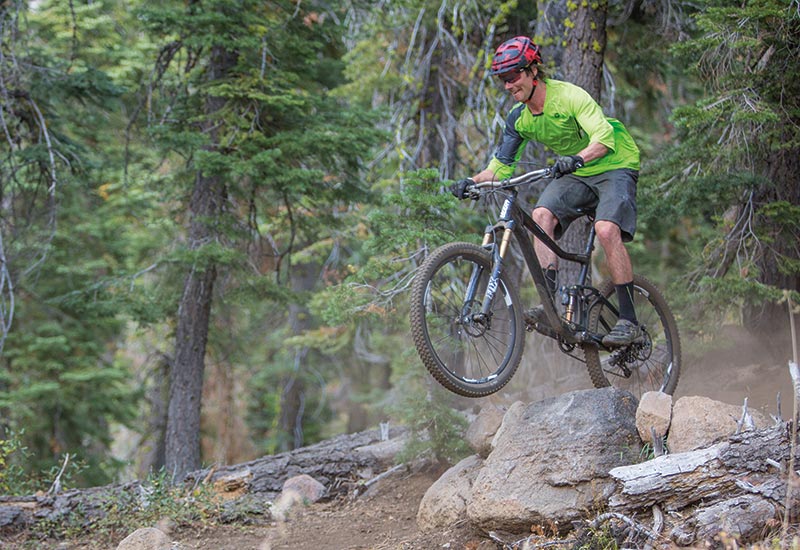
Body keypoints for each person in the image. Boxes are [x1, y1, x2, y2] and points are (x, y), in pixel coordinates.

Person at [450, 36, 642, 346]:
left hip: (614, 164)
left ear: (532, 71)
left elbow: (604, 139)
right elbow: (499, 168)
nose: (508, 85)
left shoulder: (569, 97)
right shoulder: (520, 119)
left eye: (513, 76)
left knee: (606, 230)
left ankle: (629, 320)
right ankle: (550, 306)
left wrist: (577, 159)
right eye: (502, 79)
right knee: (541, 215)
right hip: (578, 172)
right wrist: (472, 182)